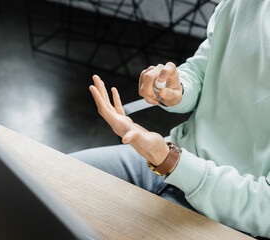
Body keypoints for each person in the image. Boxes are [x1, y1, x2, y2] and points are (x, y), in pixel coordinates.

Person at [69, 0, 270, 238]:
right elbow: (203, 68)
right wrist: (176, 88)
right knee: (43, 184)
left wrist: (171, 161)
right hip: (171, 155)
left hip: (227, 214)